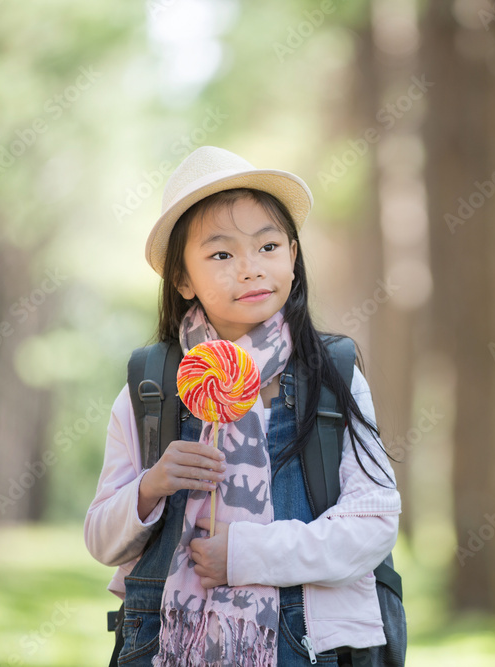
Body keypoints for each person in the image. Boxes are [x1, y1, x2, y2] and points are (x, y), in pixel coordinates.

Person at [84, 146, 402, 666]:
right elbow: (101, 542)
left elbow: (374, 524)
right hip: (164, 644)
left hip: (303, 645)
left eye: (269, 246)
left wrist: (246, 554)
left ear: (293, 260)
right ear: (183, 280)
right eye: (221, 254)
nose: (251, 269)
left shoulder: (332, 375)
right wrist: (153, 485)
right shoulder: (152, 387)